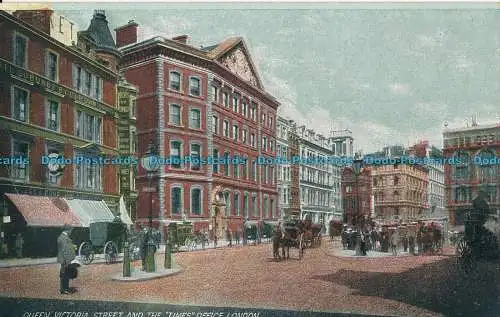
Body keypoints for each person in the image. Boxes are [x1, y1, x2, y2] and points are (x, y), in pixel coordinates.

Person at [57, 225, 76, 294]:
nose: (71, 232)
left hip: (65, 259)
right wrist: (68, 260)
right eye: (71, 230)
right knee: (64, 274)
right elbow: (65, 250)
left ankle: (65, 288)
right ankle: (64, 289)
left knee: (65, 274)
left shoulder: (63, 237)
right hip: (65, 259)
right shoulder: (63, 238)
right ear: (67, 230)